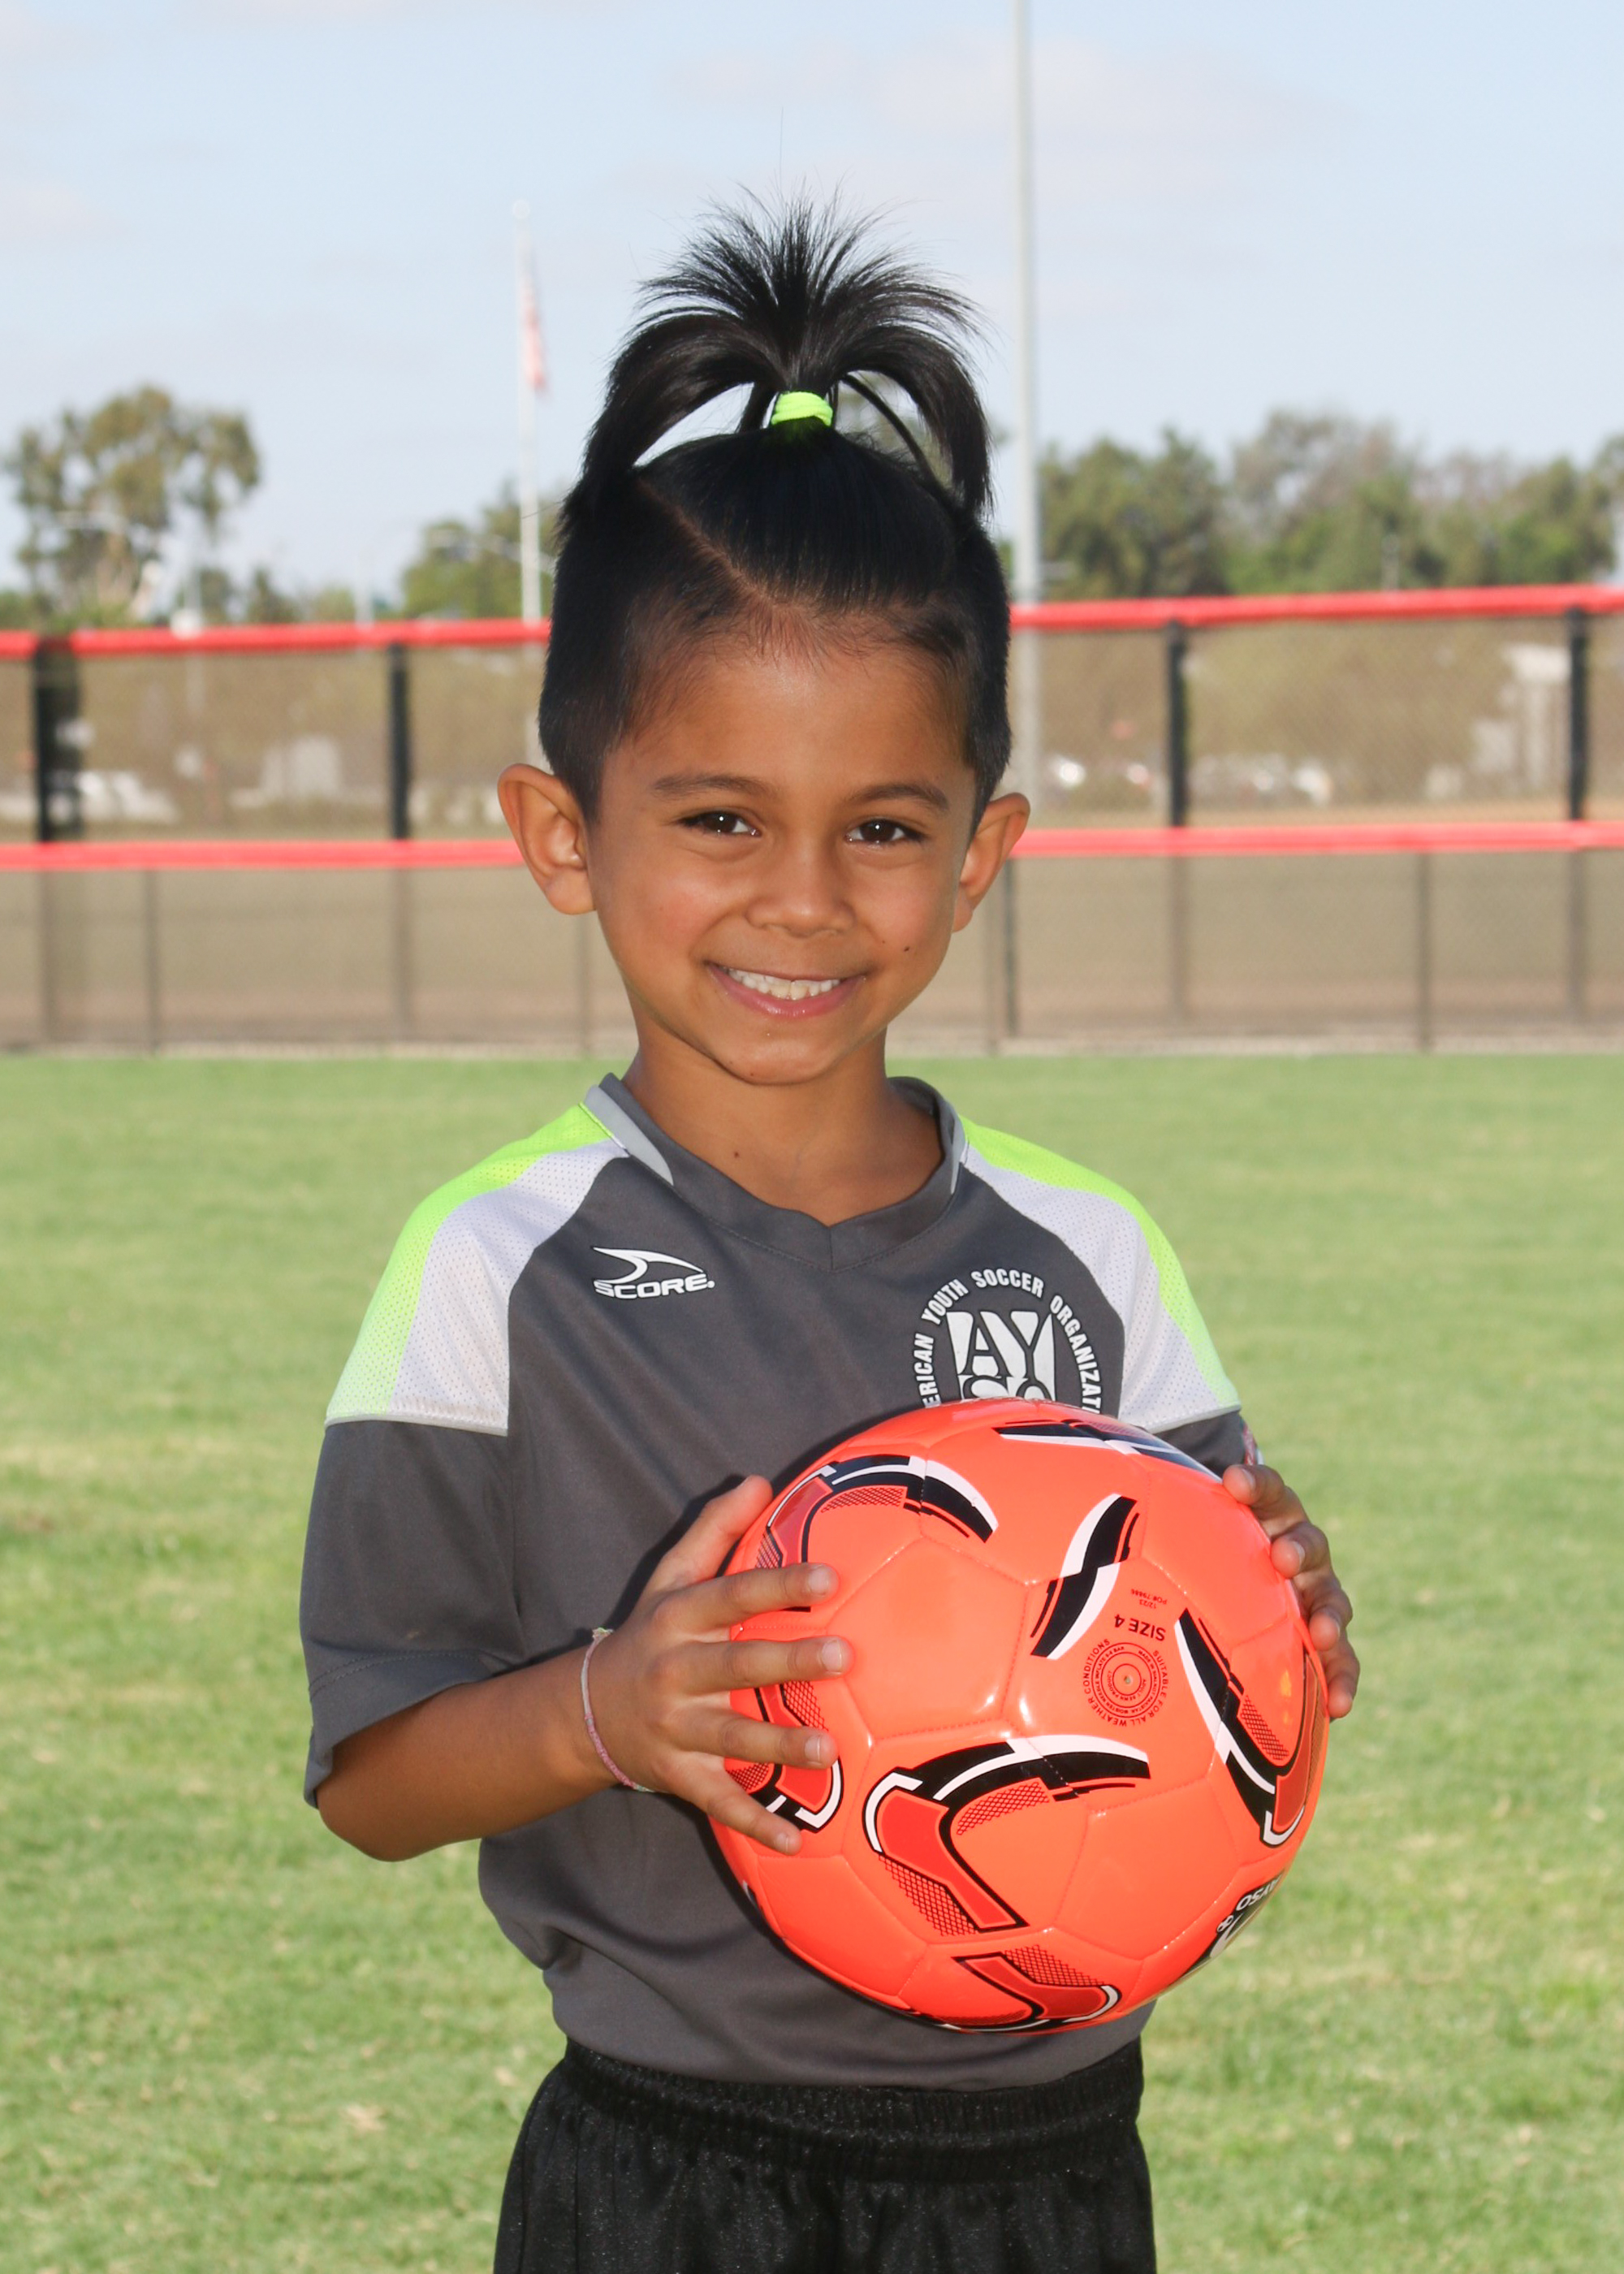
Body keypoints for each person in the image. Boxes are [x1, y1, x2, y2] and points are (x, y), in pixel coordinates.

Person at [301, 201, 1359, 2274]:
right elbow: (371, 1773)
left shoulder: (1087, 1249)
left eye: (881, 827)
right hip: (671, 2173)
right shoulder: (494, 1267)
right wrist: (605, 1709)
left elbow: (1216, 1671)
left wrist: (1287, 1621)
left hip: (1051, 2172)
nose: (802, 898)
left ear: (978, 854)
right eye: (718, 818)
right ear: (560, 832)